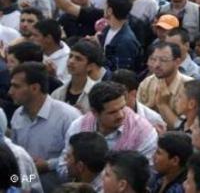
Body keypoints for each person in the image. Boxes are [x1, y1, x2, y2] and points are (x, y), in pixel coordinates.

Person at [59, 81, 158, 179]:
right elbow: (62, 167)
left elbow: (148, 177)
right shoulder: (79, 127)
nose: (121, 115)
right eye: (112, 112)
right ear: (95, 112)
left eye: (122, 107)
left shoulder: (143, 132)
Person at [9, 62, 82, 190]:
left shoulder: (68, 117)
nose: (10, 92)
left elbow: (79, 160)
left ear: (35, 88)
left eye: (16, 86)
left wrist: (48, 165)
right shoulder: (17, 115)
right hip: (26, 183)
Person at [137, 42, 193, 129]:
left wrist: (162, 105)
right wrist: (149, 106)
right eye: (153, 59)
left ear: (177, 62)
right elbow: (136, 119)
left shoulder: (189, 86)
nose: (156, 65)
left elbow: (184, 129)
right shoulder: (147, 83)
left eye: (163, 60)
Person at [51, 40, 101, 113]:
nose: (71, 61)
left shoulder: (97, 93)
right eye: (70, 56)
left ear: (90, 66)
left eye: (78, 59)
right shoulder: (57, 94)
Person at [99, 0, 143, 73]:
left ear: (109, 10)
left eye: (105, 6)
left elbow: (119, 73)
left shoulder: (126, 41)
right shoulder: (107, 29)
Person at [31, 19, 71, 83]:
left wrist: (53, 77)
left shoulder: (70, 59)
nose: (31, 38)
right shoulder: (33, 53)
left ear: (48, 38)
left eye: (36, 36)